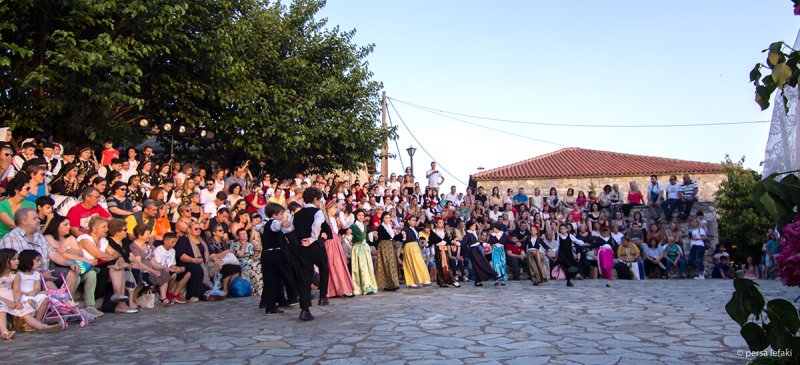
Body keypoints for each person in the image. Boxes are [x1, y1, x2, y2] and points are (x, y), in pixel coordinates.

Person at [0, 248, 61, 339]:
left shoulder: (15, 275)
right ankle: (4, 332)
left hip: (11, 297)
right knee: (2, 309)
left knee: (25, 309)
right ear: (4, 261)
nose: (17, 261)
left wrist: (17, 301)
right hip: (1, 299)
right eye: (14, 259)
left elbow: (16, 290)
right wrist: (8, 302)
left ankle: (41, 327)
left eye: (17, 259)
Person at [293, 187, 330, 321]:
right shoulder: (317, 212)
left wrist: (300, 239)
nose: (320, 202)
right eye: (319, 200)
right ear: (315, 199)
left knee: (305, 278)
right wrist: (312, 238)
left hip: (302, 247)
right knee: (324, 267)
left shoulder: (297, 214)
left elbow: (290, 228)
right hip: (314, 246)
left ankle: (304, 309)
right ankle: (323, 296)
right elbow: (317, 225)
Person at [259, 203, 298, 315]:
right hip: (275, 254)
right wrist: (282, 223)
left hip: (268, 255)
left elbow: (286, 229)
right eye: (281, 214)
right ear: (275, 214)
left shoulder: (266, 225)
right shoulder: (274, 223)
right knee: (279, 278)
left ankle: (272, 305)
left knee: (273, 281)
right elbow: (276, 226)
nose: (282, 216)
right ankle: (288, 298)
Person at [129, 224, 172, 307]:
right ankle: (132, 298)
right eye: (147, 234)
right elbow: (139, 263)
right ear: (140, 235)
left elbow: (153, 260)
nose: (149, 236)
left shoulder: (147, 246)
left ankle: (163, 298)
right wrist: (153, 271)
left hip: (150, 267)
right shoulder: (134, 246)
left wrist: (162, 268)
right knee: (149, 277)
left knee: (164, 273)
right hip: (141, 269)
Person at [320, 201, 354, 298]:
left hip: (336, 242)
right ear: (328, 208)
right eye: (334, 208)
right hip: (330, 243)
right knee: (333, 265)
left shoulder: (334, 219)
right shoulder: (324, 220)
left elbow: (337, 231)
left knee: (339, 264)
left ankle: (342, 288)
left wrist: (345, 230)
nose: (336, 210)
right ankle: (333, 289)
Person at [174, 221, 209, 302]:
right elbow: (181, 255)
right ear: (189, 230)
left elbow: (207, 254)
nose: (198, 230)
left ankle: (207, 290)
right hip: (186, 263)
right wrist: (193, 260)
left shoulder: (202, 241)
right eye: (196, 229)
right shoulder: (184, 240)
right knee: (196, 268)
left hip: (201, 262)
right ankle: (193, 295)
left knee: (213, 267)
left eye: (200, 229)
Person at [395, 214, 432, 289]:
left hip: (416, 247)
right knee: (411, 263)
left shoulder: (415, 229)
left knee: (419, 262)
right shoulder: (405, 229)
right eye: (413, 220)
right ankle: (411, 282)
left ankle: (423, 279)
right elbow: (402, 238)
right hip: (409, 247)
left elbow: (417, 239)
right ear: (408, 221)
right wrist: (403, 237)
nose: (414, 222)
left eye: (415, 220)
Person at [14, 249, 50, 321]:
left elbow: (37, 288)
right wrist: (26, 294)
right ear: (28, 261)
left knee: (44, 299)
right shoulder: (19, 274)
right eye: (37, 261)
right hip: (22, 295)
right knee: (29, 301)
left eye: (40, 261)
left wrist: (34, 291)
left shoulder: (36, 274)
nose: (40, 263)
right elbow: (16, 289)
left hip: (33, 294)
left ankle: (38, 320)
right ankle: (28, 321)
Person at [154, 233, 189, 304]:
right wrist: (171, 269)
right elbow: (157, 265)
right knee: (174, 275)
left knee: (187, 273)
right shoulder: (159, 249)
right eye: (173, 242)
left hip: (169, 269)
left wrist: (178, 268)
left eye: (176, 242)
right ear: (166, 241)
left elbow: (172, 264)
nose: (174, 244)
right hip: (161, 270)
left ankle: (175, 294)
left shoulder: (173, 251)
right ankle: (168, 293)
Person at [349, 209, 378, 296]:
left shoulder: (364, 226)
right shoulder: (353, 226)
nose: (361, 217)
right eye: (359, 215)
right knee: (360, 267)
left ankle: (368, 285)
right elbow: (350, 237)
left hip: (364, 247)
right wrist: (349, 236)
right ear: (356, 216)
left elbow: (366, 237)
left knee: (367, 266)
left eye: (362, 215)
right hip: (358, 248)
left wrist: (372, 235)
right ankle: (360, 287)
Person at [428, 217, 459, 288]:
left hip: (445, 250)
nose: (441, 224)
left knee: (446, 265)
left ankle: (449, 280)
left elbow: (447, 241)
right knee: (439, 266)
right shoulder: (433, 232)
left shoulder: (444, 231)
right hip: (438, 249)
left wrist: (453, 242)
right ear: (436, 223)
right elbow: (430, 242)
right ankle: (442, 282)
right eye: (439, 222)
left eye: (442, 222)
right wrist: (426, 245)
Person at [464, 220, 496, 286]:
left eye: (475, 225)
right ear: (469, 227)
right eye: (473, 225)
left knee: (480, 264)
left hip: (477, 249)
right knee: (481, 264)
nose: (474, 227)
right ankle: (493, 274)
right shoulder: (468, 234)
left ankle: (477, 281)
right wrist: (457, 243)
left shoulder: (474, 232)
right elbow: (463, 241)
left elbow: (480, 229)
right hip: (473, 250)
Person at [375, 211, 401, 291]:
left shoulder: (389, 226)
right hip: (384, 246)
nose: (387, 219)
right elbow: (386, 237)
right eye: (386, 217)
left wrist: (400, 236)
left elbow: (392, 238)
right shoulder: (381, 227)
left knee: (392, 264)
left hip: (390, 246)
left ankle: (394, 283)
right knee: (386, 264)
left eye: (389, 218)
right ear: (382, 218)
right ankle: (387, 284)